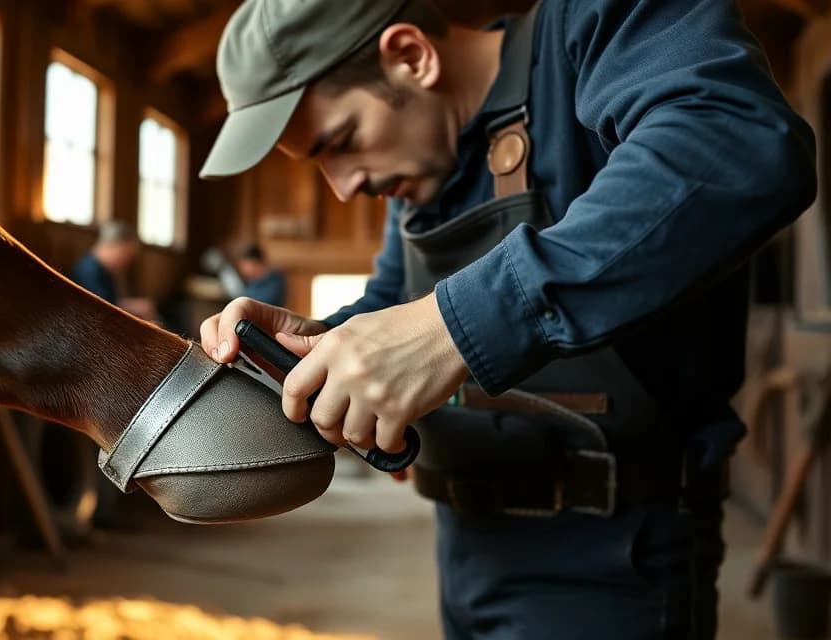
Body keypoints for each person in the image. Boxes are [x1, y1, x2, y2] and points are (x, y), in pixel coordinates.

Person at [197, 0, 816, 638]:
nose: (343, 189)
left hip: (613, 559)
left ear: (412, 56)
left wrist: (450, 327)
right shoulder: (419, 167)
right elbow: (391, 304)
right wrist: (319, 344)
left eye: (342, 141)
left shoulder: (594, 22)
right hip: (467, 544)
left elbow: (735, 142)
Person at [71, 220, 159, 321]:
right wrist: (134, 308)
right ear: (114, 246)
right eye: (126, 256)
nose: (126, 263)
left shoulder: (104, 270)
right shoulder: (89, 270)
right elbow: (102, 308)